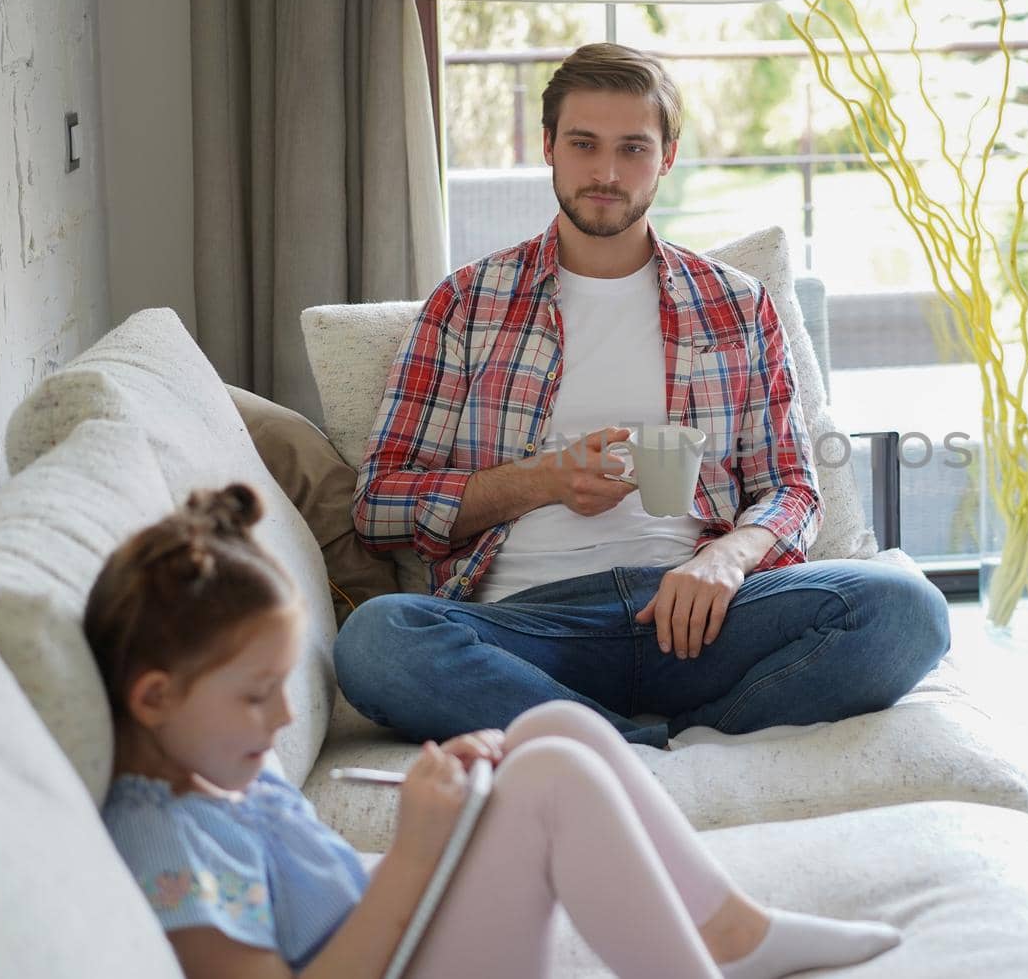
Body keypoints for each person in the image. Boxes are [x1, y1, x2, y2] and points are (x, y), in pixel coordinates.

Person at [336, 42, 950, 750]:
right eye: (584, 144)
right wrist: (539, 481)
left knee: (907, 609)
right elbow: (375, 504)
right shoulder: (468, 303)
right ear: (548, 147)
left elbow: (794, 490)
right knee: (376, 640)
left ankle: (600, 742)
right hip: (526, 628)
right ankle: (651, 747)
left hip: (699, 617)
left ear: (667, 154)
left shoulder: (735, 305)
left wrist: (727, 557)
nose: (605, 172)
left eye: (632, 147)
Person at [86, 484, 903, 979]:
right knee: (551, 781)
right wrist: (414, 854)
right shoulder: (166, 841)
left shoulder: (225, 770)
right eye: (258, 694)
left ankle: (733, 930)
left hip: (407, 948)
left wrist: (455, 816)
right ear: (155, 697)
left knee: (552, 728)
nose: (287, 716)